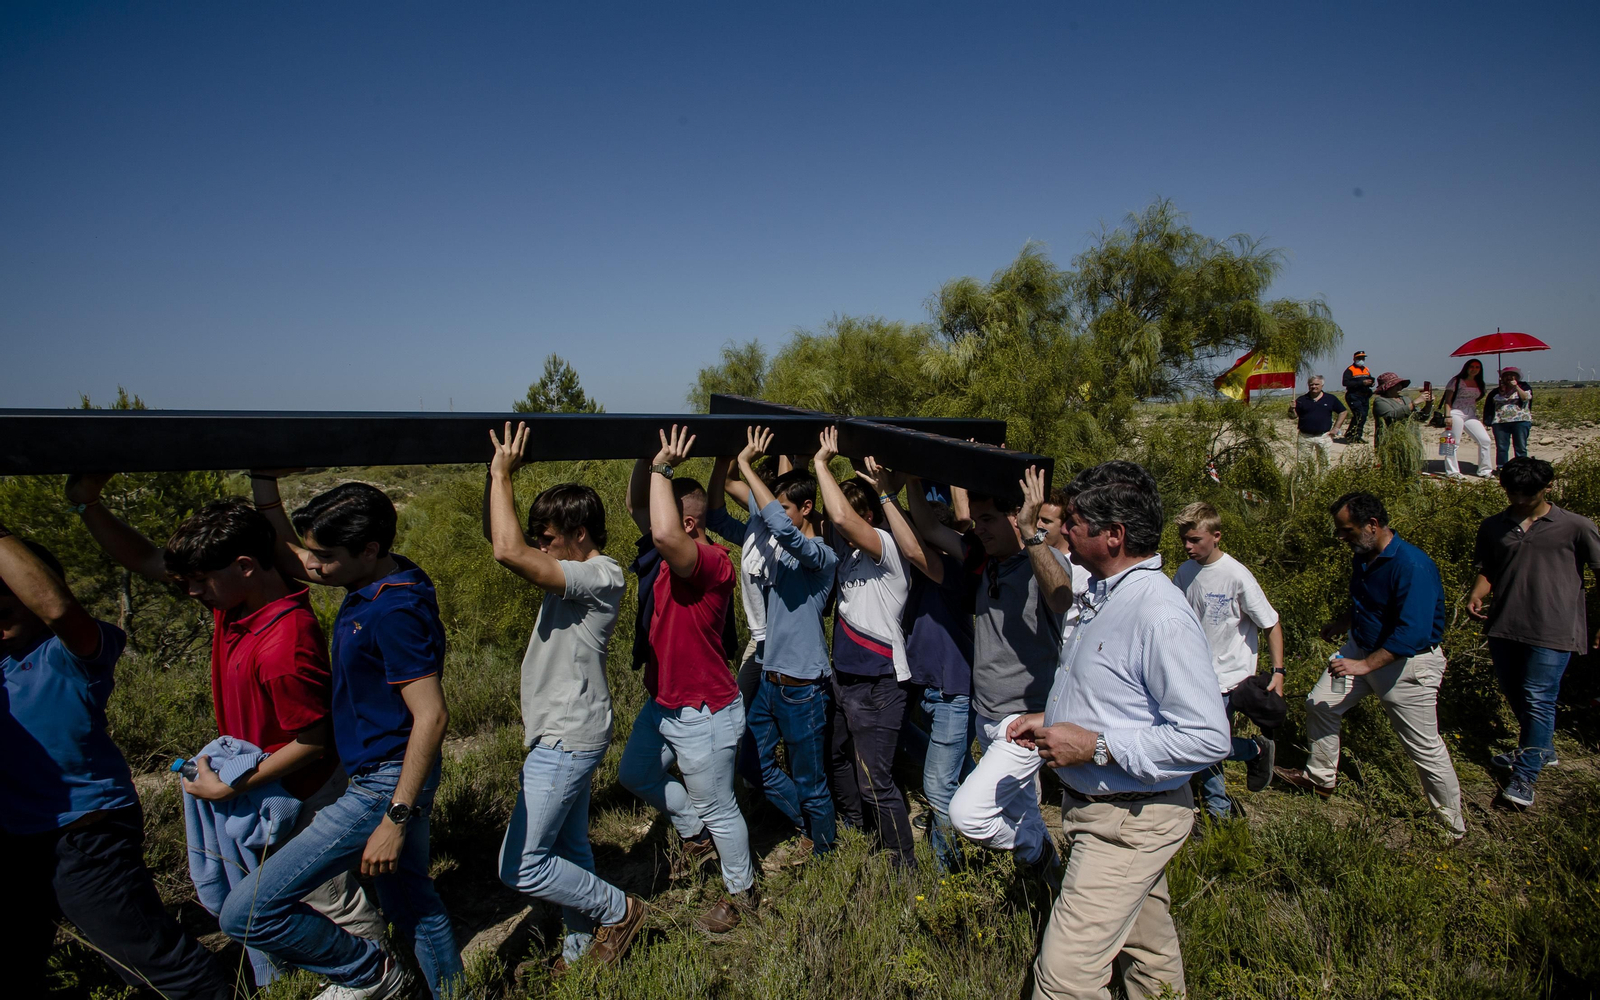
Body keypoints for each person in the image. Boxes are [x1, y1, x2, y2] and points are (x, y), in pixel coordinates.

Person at [65, 479, 384, 984]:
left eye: (198, 580)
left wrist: (230, 784)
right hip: (269, 785)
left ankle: (378, 977)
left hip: (300, 791)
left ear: (245, 566)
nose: (190, 590)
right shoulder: (234, 600)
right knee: (293, 894)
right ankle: (335, 974)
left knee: (330, 896)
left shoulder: (283, 644)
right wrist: (88, 504)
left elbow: (314, 741)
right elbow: (146, 560)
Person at [225, 478, 462, 1000]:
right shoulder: (380, 577)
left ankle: (375, 976)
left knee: (246, 912)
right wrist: (266, 489)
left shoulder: (394, 611)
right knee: (411, 901)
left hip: (385, 784)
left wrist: (394, 819)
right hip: (387, 775)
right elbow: (299, 559)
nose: (314, 566)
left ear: (369, 549)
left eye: (326, 556)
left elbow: (432, 717)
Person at [1009, 461, 1231, 1000]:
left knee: (1063, 979)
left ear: (1115, 535)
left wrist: (1094, 744)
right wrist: (1055, 720)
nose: (1066, 529)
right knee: (1149, 953)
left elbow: (1207, 736)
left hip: (1130, 822)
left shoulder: (1157, 612)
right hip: (1109, 813)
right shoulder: (1105, 593)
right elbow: (1118, 695)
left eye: (1076, 522)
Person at [0, 525, 234, 1000]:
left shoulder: (70, 651)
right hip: (17, 839)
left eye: (4, 604)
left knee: (154, 963)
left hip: (84, 833)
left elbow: (59, 609)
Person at [483, 423, 646, 970]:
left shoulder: (601, 574)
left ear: (578, 532)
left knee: (522, 866)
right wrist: (501, 483)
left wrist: (500, 472)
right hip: (563, 729)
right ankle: (578, 957)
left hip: (568, 734)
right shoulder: (572, 572)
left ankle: (620, 911)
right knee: (571, 851)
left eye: (548, 535)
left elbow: (507, 552)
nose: (540, 545)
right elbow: (504, 542)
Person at [617, 426, 757, 933]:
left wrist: (663, 469)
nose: (655, 524)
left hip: (705, 713)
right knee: (635, 774)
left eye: (669, 518)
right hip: (664, 702)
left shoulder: (714, 564)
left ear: (688, 522)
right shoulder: (666, 553)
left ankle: (743, 893)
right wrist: (644, 456)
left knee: (721, 808)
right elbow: (640, 508)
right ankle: (695, 832)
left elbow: (661, 531)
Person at [1275, 492, 1467, 840]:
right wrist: (1343, 624)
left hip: (1407, 665)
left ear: (1373, 525)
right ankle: (1320, 779)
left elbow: (1413, 633)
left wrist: (1363, 666)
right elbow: (1369, 604)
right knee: (1320, 704)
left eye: (1346, 530)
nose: (1342, 538)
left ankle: (1450, 825)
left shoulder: (1412, 565)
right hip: (1362, 650)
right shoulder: (1364, 555)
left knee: (1423, 746)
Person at [925, 469, 1075, 878]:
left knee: (968, 814)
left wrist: (1031, 533)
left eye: (988, 520)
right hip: (987, 715)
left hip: (1024, 722)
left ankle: (1036, 851)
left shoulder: (1043, 560)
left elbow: (1061, 598)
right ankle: (1048, 882)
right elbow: (927, 528)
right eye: (976, 522)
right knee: (1024, 808)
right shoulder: (988, 562)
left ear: (1016, 518)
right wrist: (903, 480)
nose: (979, 530)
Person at [812, 428, 922, 869]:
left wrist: (823, 463)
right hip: (845, 678)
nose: (847, 524)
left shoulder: (888, 549)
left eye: (859, 514)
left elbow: (840, 519)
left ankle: (903, 861)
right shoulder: (846, 557)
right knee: (837, 758)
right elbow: (822, 519)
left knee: (877, 780)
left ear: (871, 516)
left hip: (879, 682)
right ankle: (860, 834)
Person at [1468, 457, 1600, 808]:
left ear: (1548, 488)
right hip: (1505, 626)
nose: (1520, 500)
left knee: (1538, 697)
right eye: (1513, 493)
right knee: (1518, 695)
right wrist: (1477, 594)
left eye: (1529, 494)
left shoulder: (1577, 527)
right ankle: (1543, 749)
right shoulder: (1493, 526)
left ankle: (1524, 777)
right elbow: (1489, 569)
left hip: (1555, 628)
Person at [733, 426, 839, 858]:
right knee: (751, 764)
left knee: (813, 785)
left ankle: (827, 854)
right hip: (772, 683)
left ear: (807, 508)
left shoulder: (822, 558)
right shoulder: (778, 554)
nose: (775, 515)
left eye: (785, 506)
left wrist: (745, 465)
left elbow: (785, 530)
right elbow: (769, 525)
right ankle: (808, 826)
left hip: (803, 690)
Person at [1171, 503, 1285, 820]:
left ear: (1216, 536)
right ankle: (1252, 753)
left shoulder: (1236, 577)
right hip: (1193, 673)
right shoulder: (1185, 572)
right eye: (1184, 540)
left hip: (1227, 677)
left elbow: (1271, 623)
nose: (1188, 546)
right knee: (1201, 741)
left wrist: (1278, 671)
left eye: (1195, 539)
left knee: (1206, 743)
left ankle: (1219, 808)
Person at [1370, 373, 1434, 478]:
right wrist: (1414, 403)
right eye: (1396, 385)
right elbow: (1392, 416)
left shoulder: (1405, 399)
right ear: (1388, 387)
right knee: (1393, 473)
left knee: (1412, 472)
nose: (1399, 387)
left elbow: (1420, 417)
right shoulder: (1380, 401)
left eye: (1400, 384)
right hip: (1391, 443)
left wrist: (1428, 404)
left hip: (1412, 442)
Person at [1439, 357, 1494, 478]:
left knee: (1485, 440)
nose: (1474, 369)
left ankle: (1485, 470)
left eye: (1477, 367)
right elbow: (1448, 400)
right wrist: (1448, 416)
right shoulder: (1456, 381)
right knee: (1454, 442)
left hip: (1470, 414)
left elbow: (1478, 397)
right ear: (1466, 368)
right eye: (1472, 367)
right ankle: (1452, 471)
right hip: (1456, 412)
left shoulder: (1479, 383)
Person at [1483, 366, 1534, 470]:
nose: (1509, 377)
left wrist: (1516, 387)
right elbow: (1489, 405)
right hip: (1500, 422)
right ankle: (1502, 467)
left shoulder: (1524, 387)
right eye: (1506, 375)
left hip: (1520, 421)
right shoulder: (1496, 391)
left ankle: (1521, 468)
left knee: (1520, 447)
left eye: (1512, 375)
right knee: (1502, 447)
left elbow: (1525, 398)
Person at [1288, 375, 1347, 464]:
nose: (1314, 386)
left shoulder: (1330, 398)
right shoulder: (1302, 400)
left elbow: (1343, 412)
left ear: (1322, 385)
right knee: (1302, 463)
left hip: (1324, 436)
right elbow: (1293, 416)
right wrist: (1291, 409)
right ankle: (1305, 478)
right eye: (1311, 384)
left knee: (1324, 462)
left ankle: (1323, 478)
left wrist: (1336, 428)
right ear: (1308, 385)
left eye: (1316, 384)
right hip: (1305, 436)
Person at [1340, 350, 1376, 443]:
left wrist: (1371, 383)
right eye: (1359, 358)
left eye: (1363, 358)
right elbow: (1345, 383)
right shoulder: (1350, 370)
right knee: (1359, 415)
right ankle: (1352, 436)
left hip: (1365, 396)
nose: (1361, 360)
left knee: (1363, 416)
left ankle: (1356, 436)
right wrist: (1361, 382)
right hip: (1354, 396)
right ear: (1354, 358)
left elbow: (1369, 380)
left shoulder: (1366, 369)